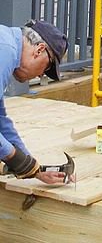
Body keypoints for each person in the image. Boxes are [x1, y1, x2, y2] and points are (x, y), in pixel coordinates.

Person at [0, 19, 69, 184]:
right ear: (39, 50)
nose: (40, 76)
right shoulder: (5, 52)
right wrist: (16, 159)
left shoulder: (6, 44)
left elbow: (1, 120)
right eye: (46, 68)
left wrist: (34, 168)